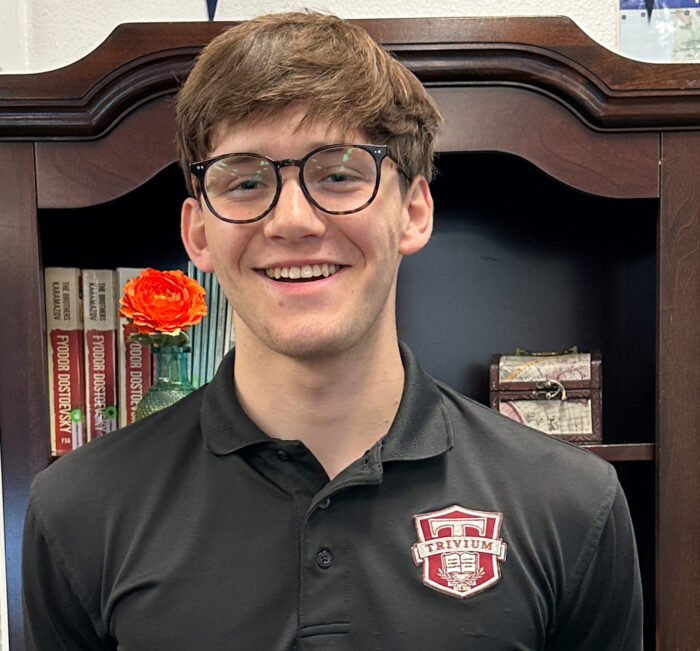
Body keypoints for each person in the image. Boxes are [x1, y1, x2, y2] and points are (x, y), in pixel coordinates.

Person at [22, 11, 643, 650]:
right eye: (244, 180)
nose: (292, 220)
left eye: (340, 173)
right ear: (199, 232)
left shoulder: (572, 505)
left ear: (414, 211)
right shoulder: (77, 510)